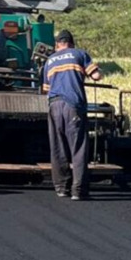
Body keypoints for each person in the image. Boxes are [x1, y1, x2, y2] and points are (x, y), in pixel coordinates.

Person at [43, 29, 101, 200]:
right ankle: (78, 190)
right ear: (71, 43)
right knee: (78, 147)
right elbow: (96, 76)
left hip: (54, 105)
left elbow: (45, 89)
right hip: (72, 105)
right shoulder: (79, 54)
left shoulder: (50, 60)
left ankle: (61, 188)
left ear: (57, 44)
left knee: (57, 147)